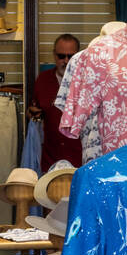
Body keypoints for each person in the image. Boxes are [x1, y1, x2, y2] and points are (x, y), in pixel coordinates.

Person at [30, 33, 84, 169]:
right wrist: (32, 113)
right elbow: (35, 108)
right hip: (50, 159)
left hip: (80, 160)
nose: (66, 61)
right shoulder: (42, 80)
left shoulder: (87, 82)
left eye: (71, 56)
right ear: (54, 55)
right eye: (61, 56)